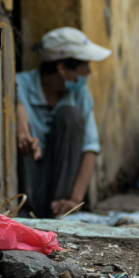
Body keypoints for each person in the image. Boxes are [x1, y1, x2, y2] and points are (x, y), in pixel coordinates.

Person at [15, 27, 112, 218]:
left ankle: (60, 210)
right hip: (29, 181)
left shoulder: (80, 94)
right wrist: (23, 136)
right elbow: (19, 111)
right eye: (84, 66)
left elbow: (90, 147)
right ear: (63, 68)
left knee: (70, 116)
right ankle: (26, 211)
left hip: (59, 185)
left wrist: (75, 201)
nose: (89, 72)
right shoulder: (20, 85)